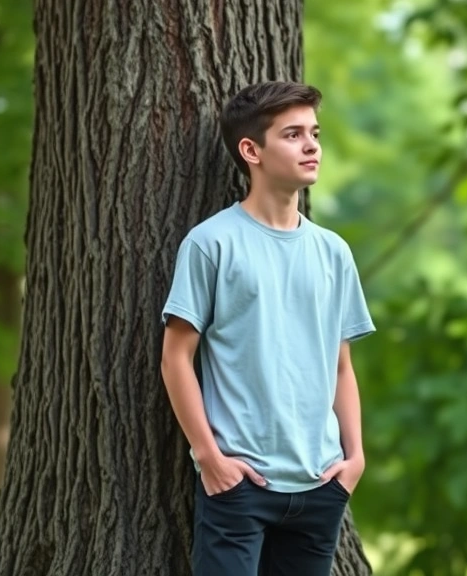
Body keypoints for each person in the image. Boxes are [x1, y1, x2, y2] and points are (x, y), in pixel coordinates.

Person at [159, 80, 375, 576]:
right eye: (293, 134)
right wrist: (209, 457)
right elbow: (175, 357)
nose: (312, 145)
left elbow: (341, 366)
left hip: (321, 485)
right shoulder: (211, 244)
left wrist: (355, 459)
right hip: (240, 485)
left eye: (314, 133)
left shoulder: (333, 252)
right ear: (251, 151)